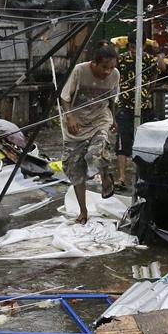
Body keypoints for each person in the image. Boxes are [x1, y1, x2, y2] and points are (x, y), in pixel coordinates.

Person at [60, 43, 119, 224]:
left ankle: (106, 175)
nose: (108, 72)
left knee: (97, 151)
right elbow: (64, 97)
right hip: (76, 124)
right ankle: (83, 212)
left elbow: (112, 100)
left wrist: (114, 119)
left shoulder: (114, 75)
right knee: (75, 169)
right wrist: (70, 118)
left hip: (100, 118)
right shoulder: (80, 71)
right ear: (94, 63)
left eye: (112, 68)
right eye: (104, 67)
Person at [115, 38, 165, 189]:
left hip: (144, 105)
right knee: (123, 140)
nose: (135, 49)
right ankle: (122, 177)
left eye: (138, 46)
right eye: (132, 46)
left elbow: (159, 72)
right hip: (124, 104)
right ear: (129, 46)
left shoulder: (150, 59)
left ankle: (142, 176)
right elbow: (115, 76)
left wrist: (159, 54)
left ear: (143, 45)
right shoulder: (122, 59)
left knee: (144, 141)